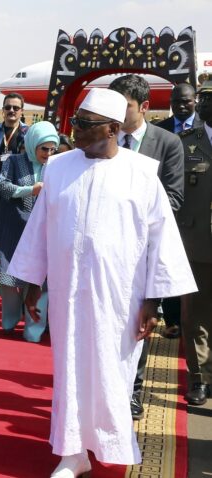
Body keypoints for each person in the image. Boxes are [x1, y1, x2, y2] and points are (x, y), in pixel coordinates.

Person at [8, 88, 196, 475]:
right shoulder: (58, 167)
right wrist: (31, 283)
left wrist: (153, 301)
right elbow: (41, 227)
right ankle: (72, 453)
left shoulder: (141, 172)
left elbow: (161, 240)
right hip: (67, 292)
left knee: (112, 370)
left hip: (119, 296)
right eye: (75, 122)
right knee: (70, 368)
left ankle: (110, 443)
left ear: (112, 129)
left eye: (84, 125)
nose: (74, 131)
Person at [109, 74, 186, 420]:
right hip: (105, 248)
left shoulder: (167, 143)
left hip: (143, 249)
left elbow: (174, 198)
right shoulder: (104, 139)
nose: (115, 113)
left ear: (143, 107)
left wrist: (125, 207)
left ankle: (132, 391)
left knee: (139, 322)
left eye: (123, 105)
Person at [0, 121, 57, 343]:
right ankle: (11, 317)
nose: (48, 154)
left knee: (42, 284)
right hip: (13, 232)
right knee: (8, 283)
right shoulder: (14, 162)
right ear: (32, 145)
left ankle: (34, 330)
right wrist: (30, 190)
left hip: (45, 235)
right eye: (44, 149)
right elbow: (1, 186)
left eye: (52, 149)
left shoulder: (58, 165)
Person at [178, 80, 212, 406]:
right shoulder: (185, 143)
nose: (204, 105)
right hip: (195, 245)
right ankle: (198, 378)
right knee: (194, 317)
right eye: (203, 99)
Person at [0, 93, 28, 170]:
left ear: (22, 111)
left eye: (16, 108)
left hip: (17, 180)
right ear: (3, 110)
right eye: (8, 107)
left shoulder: (28, 134)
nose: (11, 110)